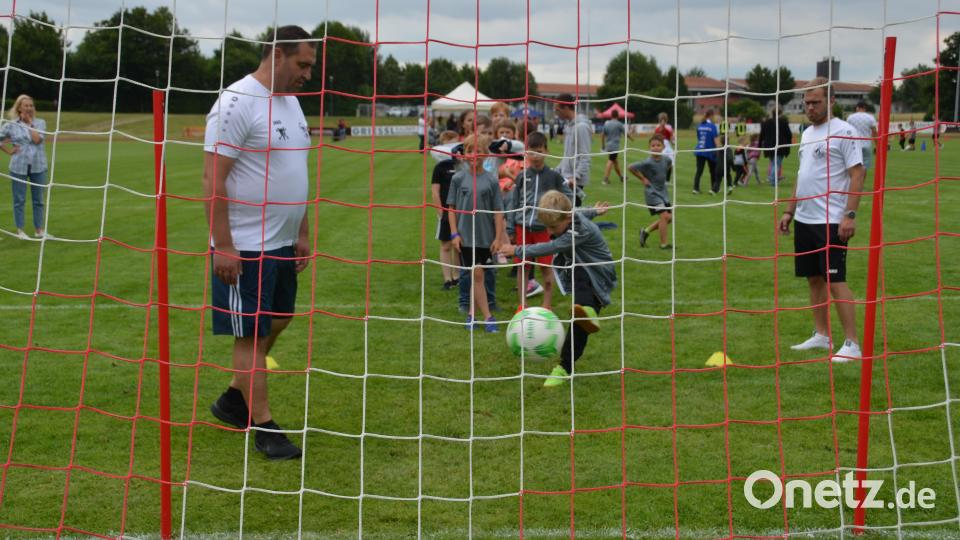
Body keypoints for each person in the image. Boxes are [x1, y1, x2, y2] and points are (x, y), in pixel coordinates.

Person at [203, 25, 316, 460]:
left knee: (280, 318)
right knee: (250, 335)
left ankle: (234, 397)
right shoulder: (236, 102)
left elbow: (295, 170)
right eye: (302, 64)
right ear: (277, 56)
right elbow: (214, 178)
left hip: (283, 242)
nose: (307, 74)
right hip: (246, 245)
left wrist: (301, 231)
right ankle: (265, 426)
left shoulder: (291, 104)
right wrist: (224, 244)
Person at [778, 77, 866, 363]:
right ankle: (822, 335)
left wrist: (849, 215)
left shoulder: (845, 131)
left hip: (831, 220)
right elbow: (802, 177)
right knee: (813, 279)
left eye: (816, 102)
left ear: (831, 101)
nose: (810, 107)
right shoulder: (806, 133)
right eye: (807, 103)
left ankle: (852, 344)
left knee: (835, 280)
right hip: (805, 219)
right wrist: (789, 211)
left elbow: (858, 174)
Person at [497, 190, 615, 387]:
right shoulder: (570, 216)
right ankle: (564, 368)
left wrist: (517, 250)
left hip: (598, 276)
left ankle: (588, 309)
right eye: (547, 227)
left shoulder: (579, 231)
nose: (549, 232)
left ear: (566, 217)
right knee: (580, 325)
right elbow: (580, 211)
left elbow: (550, 247)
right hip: (583, 272)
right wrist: (594, 211)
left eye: (552, 227)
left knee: (580, 281)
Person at [507, 131, 573, 310]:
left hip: (544, 229)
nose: (535, 156)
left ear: (546, 151)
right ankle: (522, 304)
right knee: (523, 267)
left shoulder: (554, 176)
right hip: (522, 228)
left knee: (545, 267)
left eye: (539, 151)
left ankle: (547, 305)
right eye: (531, 152)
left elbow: (569, 197)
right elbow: (514, 202)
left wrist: (562, 216)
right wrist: (511, 228)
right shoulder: (522, 176)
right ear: (526, 153)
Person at [447, 133, 506, 332]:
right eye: (470, 150)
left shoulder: (491, 180)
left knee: (477, 276)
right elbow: (451, 209)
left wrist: (498, 238)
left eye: (479, 151)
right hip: (464, 238)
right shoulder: (457, 178)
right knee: (477, 275)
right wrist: (454, 234)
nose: (474, 154)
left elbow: (498, 212)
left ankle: (472, 316)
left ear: (486, 154)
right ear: (464, 154)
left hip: (486, 238)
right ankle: (488, 318)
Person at [0, 95, 48, 239]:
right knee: (19, 199)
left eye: (31, 106)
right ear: (19, 108)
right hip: (18, 166)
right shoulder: (11, 124)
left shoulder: (40, 123)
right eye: (26, 106)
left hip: (38, 166)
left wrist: (29, 124)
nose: (29, 108)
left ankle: (39, 230)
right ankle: (20, 230)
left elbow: (38, 140)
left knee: (38, 200)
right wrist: (8, 151)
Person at [629, 133, 673, 248]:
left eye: (658, 145)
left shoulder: (667, 159)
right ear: (649, 148)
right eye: (653, 145)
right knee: (664, 216)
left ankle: (645, 231)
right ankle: (664, 244)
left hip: (663, 193)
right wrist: (643, 178)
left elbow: (669, 165)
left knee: (669, 218)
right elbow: (631, 167)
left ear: (663, 147)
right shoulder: (647, 162)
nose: (655, 147)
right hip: (652, 194)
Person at [431, 130, 462, 290]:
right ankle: (447, 279)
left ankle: (457, 276)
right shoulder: (440, 167)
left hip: (461, 211)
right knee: (446, 245)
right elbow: (435, 190)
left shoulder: (462, 165)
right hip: (445, 211)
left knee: (459, 245)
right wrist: (440, 211)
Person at [554, 93, 593, 205]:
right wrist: (556, 170)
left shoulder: (581, 127)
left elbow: (585, 156)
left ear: (566, 108)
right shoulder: (569, 126)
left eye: (557, 110)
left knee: (570, 216)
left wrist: (576, 176)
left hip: (573, 181)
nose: (556, 114)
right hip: (566, 178)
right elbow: (567, 156)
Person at [759, 107, 792, 185]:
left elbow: (762, 135)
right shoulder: (783, 122)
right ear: (780, 113)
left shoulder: (766, 122)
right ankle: (773, 180)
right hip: (780, 146)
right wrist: (788, 143)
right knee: (776, 164)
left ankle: (772, 178)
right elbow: (789, 134)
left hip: (769, 146)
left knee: (773, 163)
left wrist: (759, 145)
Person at [692, 109, 719, 194]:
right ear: (711, 115)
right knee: (713, 170)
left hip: (699, 149)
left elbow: (699, 138)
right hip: (709, 150)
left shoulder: (700, 125)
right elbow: (716, 140)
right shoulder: (712, 126)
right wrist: (720, 149)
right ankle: (713, 188)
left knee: (699, 170)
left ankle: (695, 189)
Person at [846, 101, 878, 171]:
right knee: (864, 168)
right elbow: (874, 133)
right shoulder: (870, 117)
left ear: (857, 108)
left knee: (853, 167)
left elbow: (847, 132)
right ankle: (861, 181)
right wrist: (877, 146)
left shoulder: (850, 117)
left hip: (853, 146)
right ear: (865, 108)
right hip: (866, 145)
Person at [600, 109, 629, 184]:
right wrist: (632, 138)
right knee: (611, 160)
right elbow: (625, 133)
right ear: (618, 115)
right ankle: (605, 178)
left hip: (608, 145)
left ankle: (621, 177)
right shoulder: (619, 124)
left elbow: (602, 135)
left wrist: (603, 145)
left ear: (611, 115)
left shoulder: (607, 124)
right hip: (615, 146)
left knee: (615, 161)